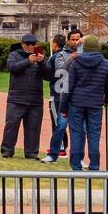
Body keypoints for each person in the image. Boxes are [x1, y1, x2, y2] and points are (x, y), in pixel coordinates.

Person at [62, 35, 108, 172]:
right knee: (94, 134)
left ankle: (76, 165)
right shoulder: (106, 64)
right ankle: (94, 165)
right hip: (95, 104)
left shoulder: (76, 63)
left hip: (76, 104)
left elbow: (68, 86)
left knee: (76, 134)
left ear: (84, 49)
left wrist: (63, 107)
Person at [1, 33, 46, 160]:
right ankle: (7, 150)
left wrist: (42, 62)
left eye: (33, 44)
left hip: (35, 99)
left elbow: (48, 75)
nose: (31, 46)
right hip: (17, 98)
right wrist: (28, 61)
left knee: (34, 126)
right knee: (12, 125)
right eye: (28, 44)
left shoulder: (41, 56)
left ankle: (31, 152)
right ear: (23, 44)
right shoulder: (14, 55)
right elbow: (12, 67)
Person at [39, 33, 71, 163]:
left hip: (57, 93)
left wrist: (42, 63)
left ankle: (60, 148)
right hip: (66, 91)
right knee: (61, 122)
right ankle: (62, 147)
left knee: (57, 121)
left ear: (55, 44)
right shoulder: (67, 56)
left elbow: (49, 74)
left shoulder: (55, 57)